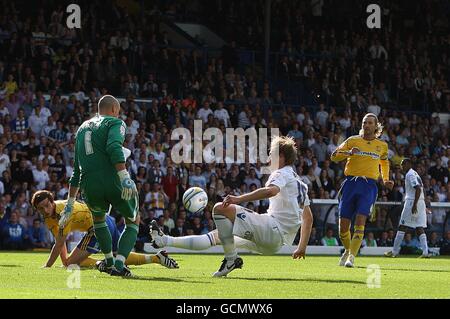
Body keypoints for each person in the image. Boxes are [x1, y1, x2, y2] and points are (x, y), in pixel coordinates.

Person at [183, 136, 313, 277]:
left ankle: (231, 259)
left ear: (280, 156)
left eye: (271, 153)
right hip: (275, 245)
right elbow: (308, 218)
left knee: (220, 208)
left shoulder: (281, 173)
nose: (268, 157)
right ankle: (166, 240)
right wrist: (301, 247)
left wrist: (238, 199)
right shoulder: (300, 183)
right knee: (219, 236)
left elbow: (270, 191)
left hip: (272, 229)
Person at [59, 95, 142, 277]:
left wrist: (70, 203)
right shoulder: (115, 122)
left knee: (99, 220)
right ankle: (119, 264)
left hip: (89, 186)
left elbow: (76, 171)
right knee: (133, 219)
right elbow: (114, 147)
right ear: (114, 110)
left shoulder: (81, 129)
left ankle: (109, 262)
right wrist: (124, 175)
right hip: (113, 180)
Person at [31, 190, 178, 269]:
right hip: (106, 219)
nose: (45, 210)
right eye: (41, 208)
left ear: (52, 201)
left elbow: (59, 243)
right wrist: (64, 261)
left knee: (72, 263)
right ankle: (157, 258)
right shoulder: (49, 216)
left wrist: (49, 265)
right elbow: (59, 241)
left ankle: (101, 264)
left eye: (47, 205)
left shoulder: (64, 212)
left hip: (97, 227)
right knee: (119, 256)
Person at [331, 113, 393, 267]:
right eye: (365, 122)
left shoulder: (382, 146)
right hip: (350, 184)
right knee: (343, 227)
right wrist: (348, 153)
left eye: (370, 123)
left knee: (360, 221)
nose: (366, 125)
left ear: (376, 126)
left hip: (369, 187)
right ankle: (347, 250)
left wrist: (385, 179)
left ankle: (352, 256)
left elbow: (384, 163)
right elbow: (334, 156)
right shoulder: (352, 141)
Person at [385, 158, 431, 258]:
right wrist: (422, 205)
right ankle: (426, 252)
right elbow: (422, 189)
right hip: (420, 202)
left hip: (411, 202)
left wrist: (414, 204)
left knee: (402, 225)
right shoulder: (415, 174)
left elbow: (418, 188)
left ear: (408, 163)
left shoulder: (410, 174)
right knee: (419, 227)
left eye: (403, 164)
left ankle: (394, 251)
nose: (401, 167)